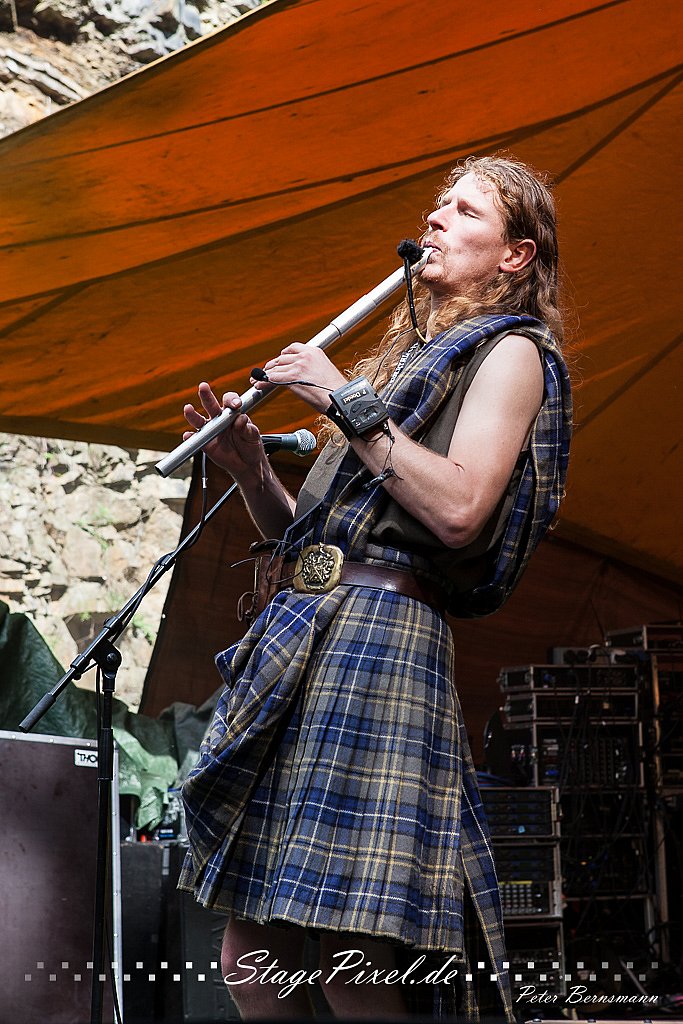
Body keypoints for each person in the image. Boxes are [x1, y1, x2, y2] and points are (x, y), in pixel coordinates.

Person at [177, 154, 572, 1021]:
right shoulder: (407, 362)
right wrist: (249, 471)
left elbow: (460, 511)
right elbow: (320, 542)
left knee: (350, 958)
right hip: (308, 632)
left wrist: (341, 398)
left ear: (515, 255)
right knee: (251, 955)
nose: (434, 219)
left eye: (464, 211)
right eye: (437, 206)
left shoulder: (511, 353)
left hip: (382, 643)